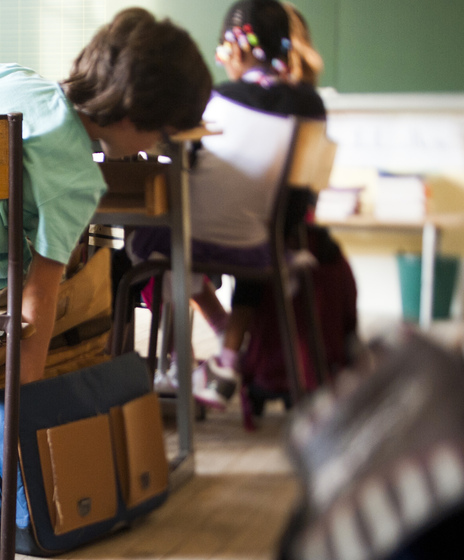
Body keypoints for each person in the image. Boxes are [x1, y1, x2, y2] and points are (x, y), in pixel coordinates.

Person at [0, 7, 213, 384]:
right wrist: (26, 405)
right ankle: (23, 395)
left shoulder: (6, 74)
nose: (156, 143)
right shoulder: (80, 180)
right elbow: (37, 300)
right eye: (161, 133)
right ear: (132, 116)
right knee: (99, 278)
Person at [126, 0, 326, 409]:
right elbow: (302, 193)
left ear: (236, 49)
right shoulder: (311, 105)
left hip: (193, 238)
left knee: (150, 235)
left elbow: (185, 162)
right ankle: (227, 352)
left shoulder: (217, 99)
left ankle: (179, 362)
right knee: (249, 217)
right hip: (262, 245)